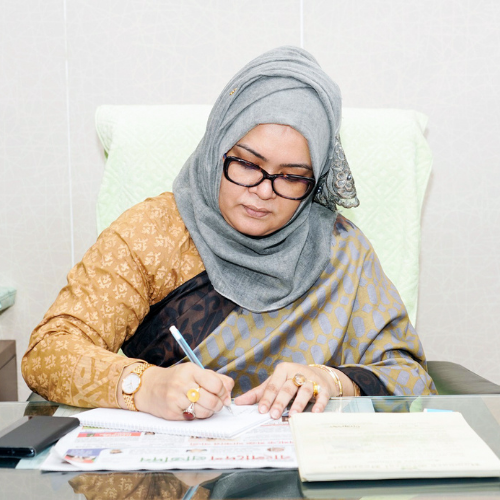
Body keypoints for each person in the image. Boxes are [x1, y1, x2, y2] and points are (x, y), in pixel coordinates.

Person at [22, 46, 436, 422]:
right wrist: (145, 386)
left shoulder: (340, 250)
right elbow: (48, 353)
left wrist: (330, 380)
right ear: (216, 148)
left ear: (316, 180)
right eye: (248, 164)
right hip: (172, 467)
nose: (263, 191)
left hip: (301, 463)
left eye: (292, 177)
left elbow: (412, 379)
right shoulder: (153, 233)